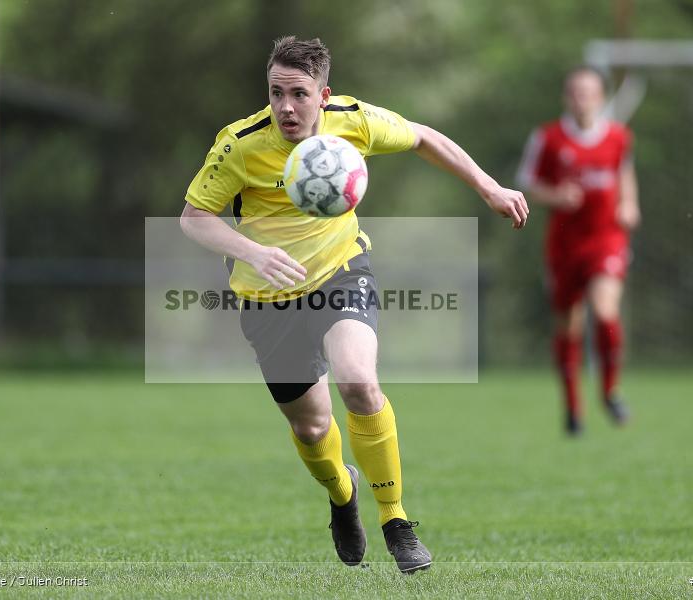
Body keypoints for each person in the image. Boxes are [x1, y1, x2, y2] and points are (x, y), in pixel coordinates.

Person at [180, 36, 528, 573]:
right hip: (268, 297)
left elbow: (423, 137)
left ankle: (396, 521)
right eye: (276, 93)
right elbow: (193, 218)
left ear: (324, 95)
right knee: (312, 428)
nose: (286, 107)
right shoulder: (240, 145)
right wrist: (254, 252)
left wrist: (488, 187)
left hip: (341, 272)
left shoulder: (353, 121)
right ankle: (343, 494)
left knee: (359, 381)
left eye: (299, 94)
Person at [516, 66, 640, 436]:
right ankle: (572, 408)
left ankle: (610, 392)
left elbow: (625, 173)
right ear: (566, 97)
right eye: (574, 92)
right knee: (569, 325)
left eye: (588, 92)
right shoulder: (548, 138)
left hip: (607, 239)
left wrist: (630, 204)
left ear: (601, 97)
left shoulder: (618, 137)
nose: (581, 98)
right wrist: (556, 196)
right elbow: (528, 184)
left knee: (605, 311)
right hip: (565, 245)